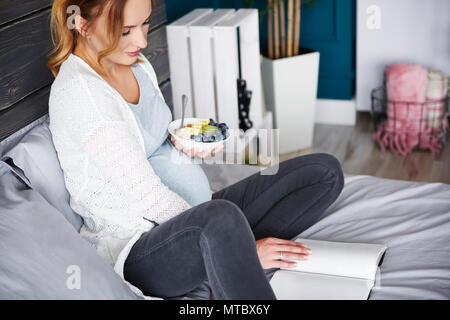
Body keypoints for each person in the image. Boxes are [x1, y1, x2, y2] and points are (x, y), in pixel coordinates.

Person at [47, 0, 344, 300]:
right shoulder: (81, 95)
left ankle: (228, 258)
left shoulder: (138, 65)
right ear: (82, 25)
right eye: (126, 31)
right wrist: (236, 247)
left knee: (324, 173)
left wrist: (185, 144)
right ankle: (235, 258)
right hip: (141, 248)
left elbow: (156, 140)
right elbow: (148, 197)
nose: (142, 41)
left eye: (145, 24)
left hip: (199, 216)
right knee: (221, 218)